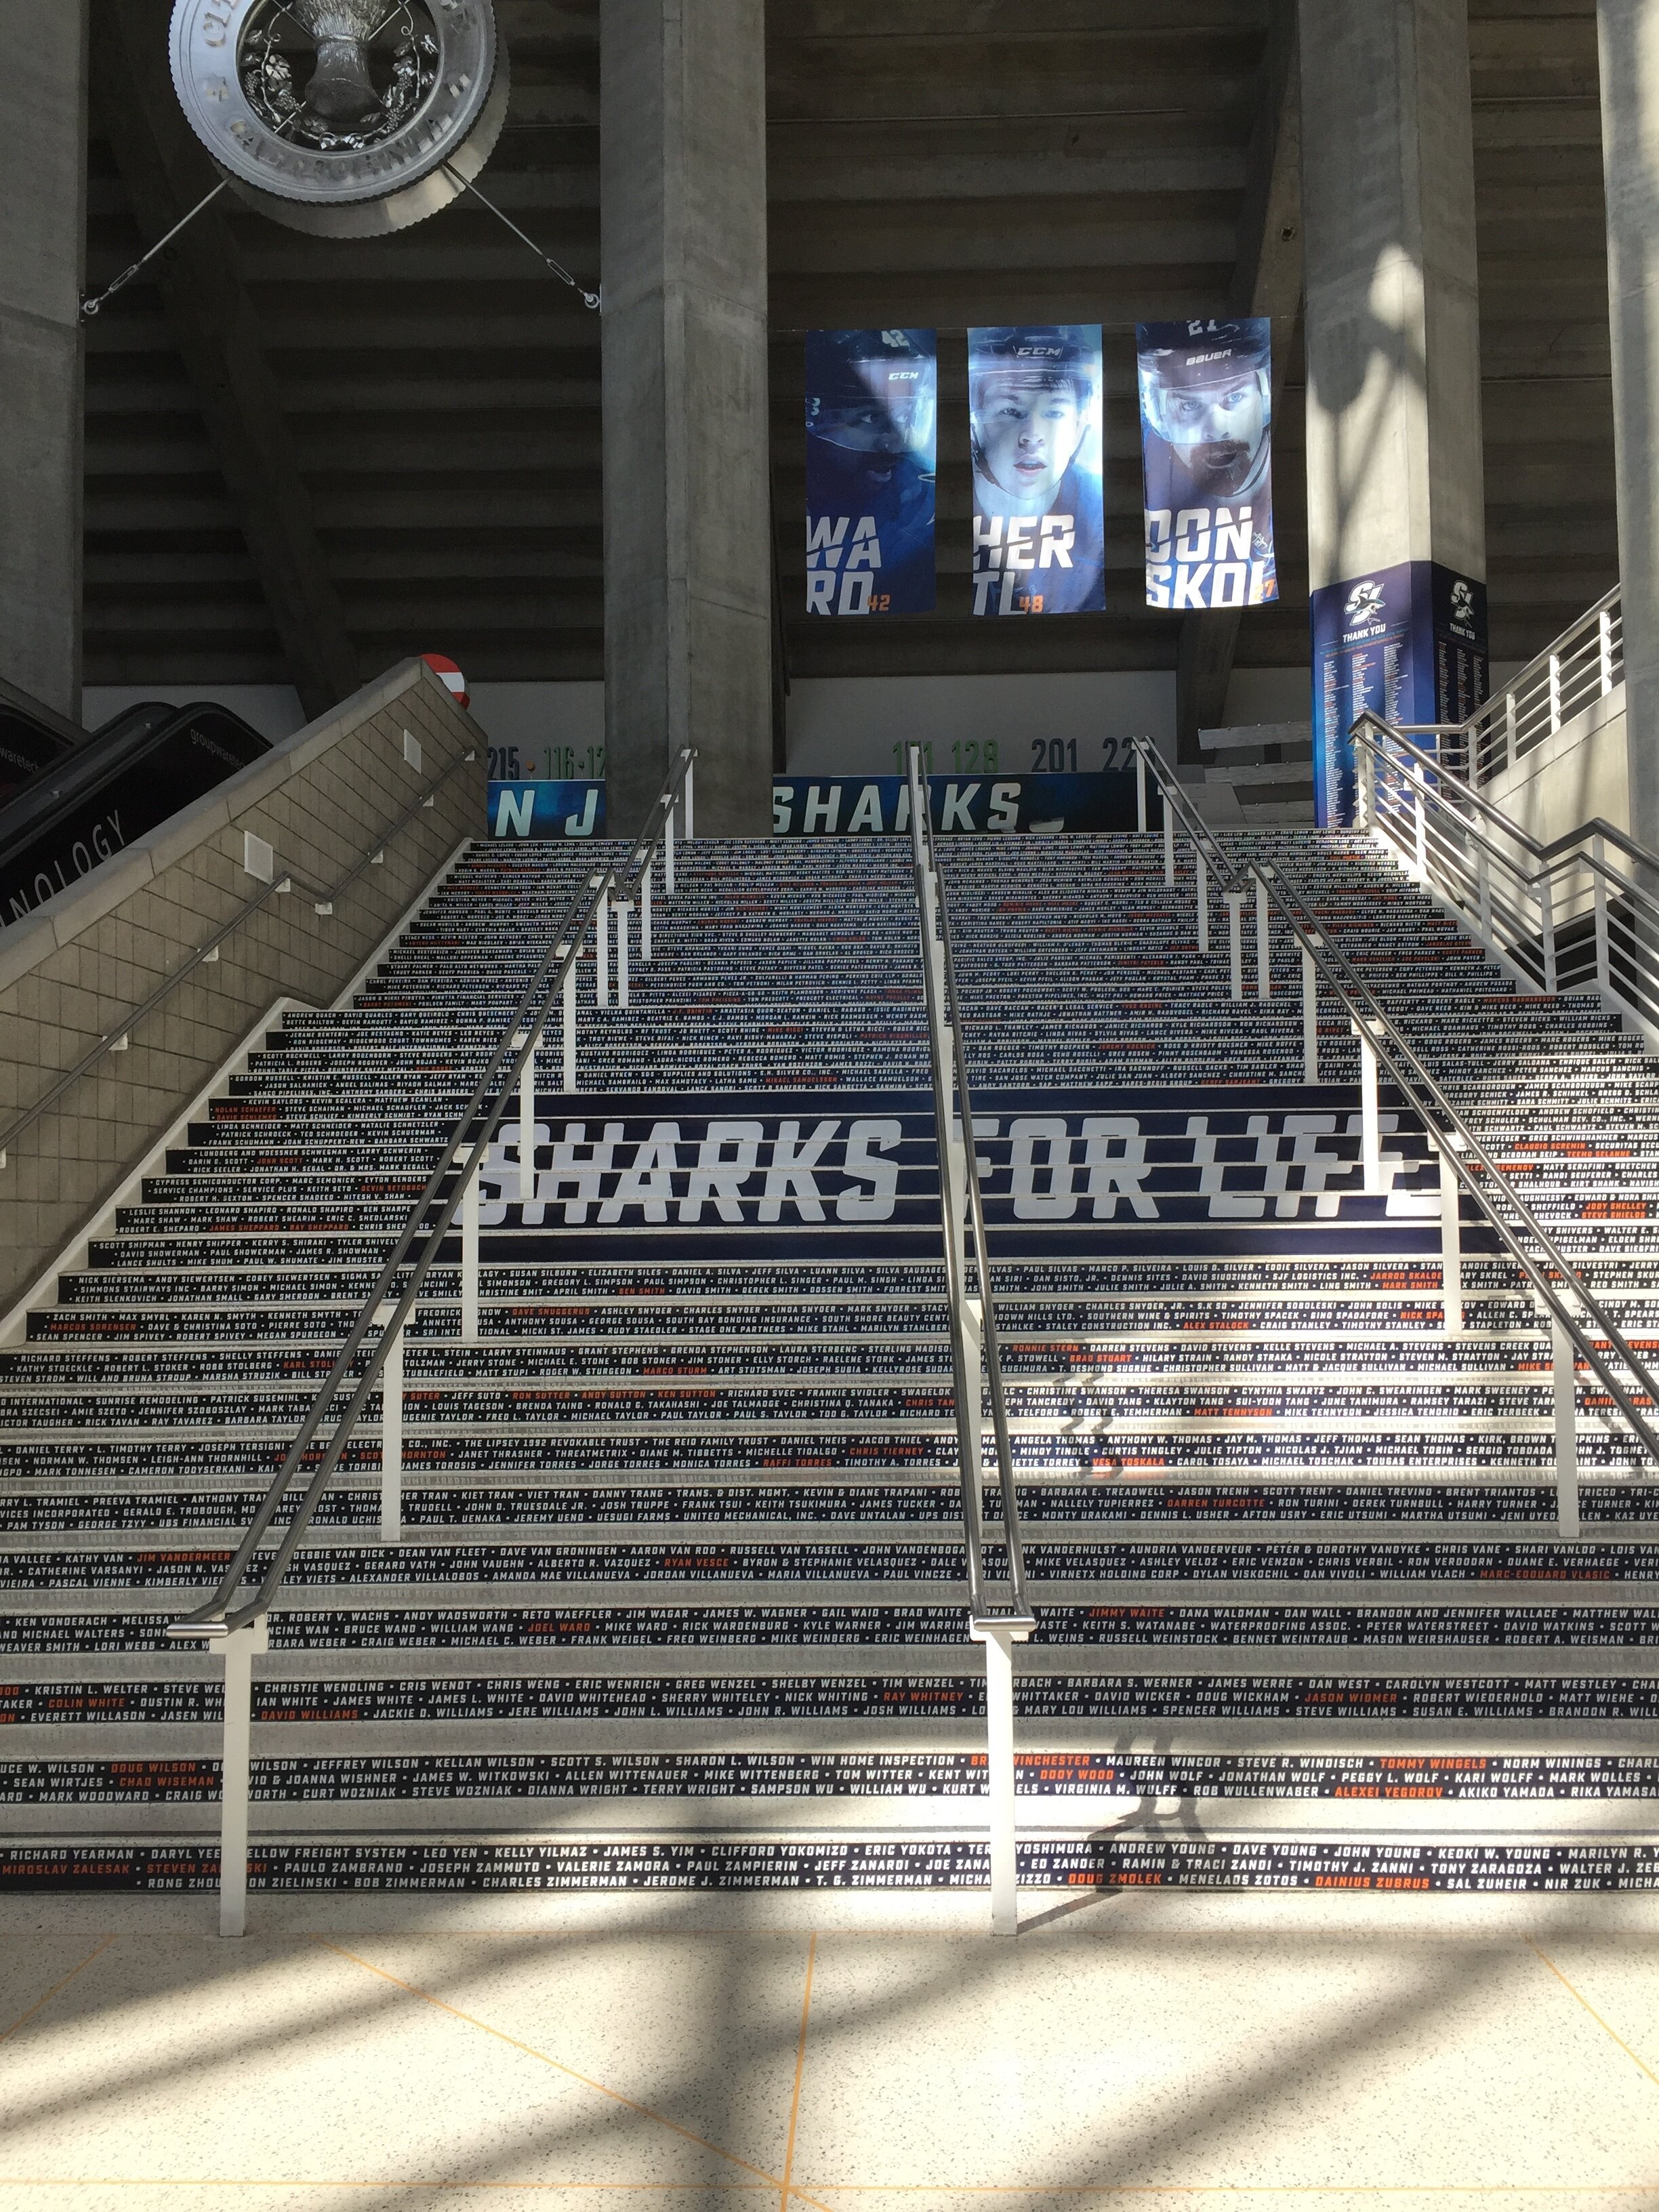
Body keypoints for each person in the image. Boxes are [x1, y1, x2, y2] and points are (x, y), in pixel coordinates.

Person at [969, 326, 1105, 615]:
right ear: (976, 422)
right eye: (1009, 410)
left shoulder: (1099, 514)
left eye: (1054, 413)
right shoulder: (919, 507)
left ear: (1080, 426)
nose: (1032, 436)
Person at [806, 329, 937, 613]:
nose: (896, 442)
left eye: (905, 416)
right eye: (870, 418)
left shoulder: (924, 510)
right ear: (814, 416)